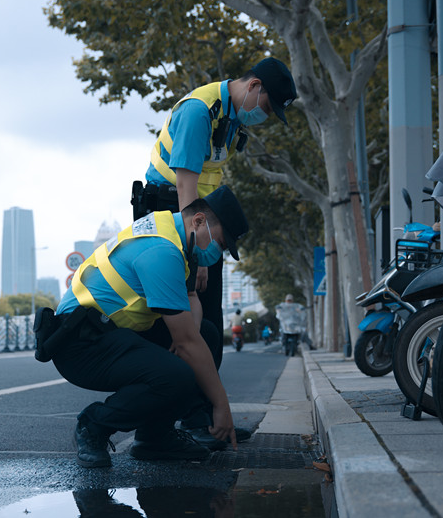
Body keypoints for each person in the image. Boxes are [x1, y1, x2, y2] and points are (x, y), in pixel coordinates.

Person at [35, 186, 249, 468]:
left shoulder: (172, 232)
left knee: (204, 335)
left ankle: (154, 437)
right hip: (80, 345)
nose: (217, 253)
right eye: (220, 243)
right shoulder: (162, 250)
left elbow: (191, 301)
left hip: (109, 331)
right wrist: (221, 405)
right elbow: (186, 343)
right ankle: (93, 425)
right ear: (198, 221)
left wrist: (190, 336)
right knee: (178, 373)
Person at [132, 57, 297, 347]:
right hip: (174, 214)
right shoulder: (199, 111)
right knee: (172, 313)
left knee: (207, 311)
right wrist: (196, 251)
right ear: (254, 85)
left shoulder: (231, 118)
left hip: (198, 215)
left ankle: (200, 372)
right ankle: (172, 370)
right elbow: (185, 184)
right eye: (267, 106)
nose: (266, 115)